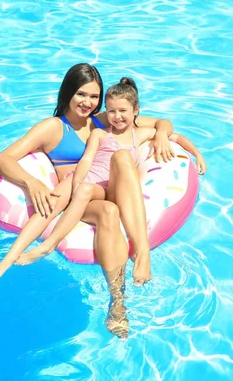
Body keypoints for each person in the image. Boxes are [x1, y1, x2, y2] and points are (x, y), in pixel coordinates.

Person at [0, 64, 175, 338]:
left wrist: (160, 134)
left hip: (112, 186)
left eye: (94, 97)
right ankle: (118, 302)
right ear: (68, 93)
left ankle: (136, 263)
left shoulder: (103, 120)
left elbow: (162, 122)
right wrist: (32, 182)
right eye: (81, 94)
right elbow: (2, 158)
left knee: (120, 161)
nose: (88, 103)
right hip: (81, 196)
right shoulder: (53, 128)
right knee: (108, 212)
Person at [14, 76, 206, 266]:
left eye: (122, 111)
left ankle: (138, 255)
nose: (117, 116)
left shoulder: (138, 133)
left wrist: (196, 153)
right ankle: (45, 246)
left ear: (135, 110)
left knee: (121, 159)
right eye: (112, 111)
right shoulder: (101, 132)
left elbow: (173, 133)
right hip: (96, 189)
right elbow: (87, 160)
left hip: (116, 190)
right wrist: (76, 181)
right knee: (92, 195)